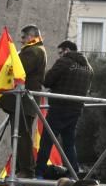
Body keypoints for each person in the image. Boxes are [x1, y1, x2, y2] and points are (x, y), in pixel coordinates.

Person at [36, 40, 93, 177]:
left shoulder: (64, 62)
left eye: (60, 53)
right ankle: (74, 171)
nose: (59, 56)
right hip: (76, 109)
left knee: (47, 140)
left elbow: (47, 80)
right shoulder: (88, 68)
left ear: (67, 50)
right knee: (69, 142)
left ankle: (39, 171)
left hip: (59, 107)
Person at [0, 25, 46, 178]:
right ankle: (22, 169)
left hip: (24, 102)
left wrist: (7, 58)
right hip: (24, 103)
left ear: (31, 36)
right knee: (19, 136)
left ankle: (26, 170)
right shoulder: (36, 50)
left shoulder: (33, 51)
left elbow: (19, 68)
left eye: (24, 37)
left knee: (22, 137)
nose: (21, 40)